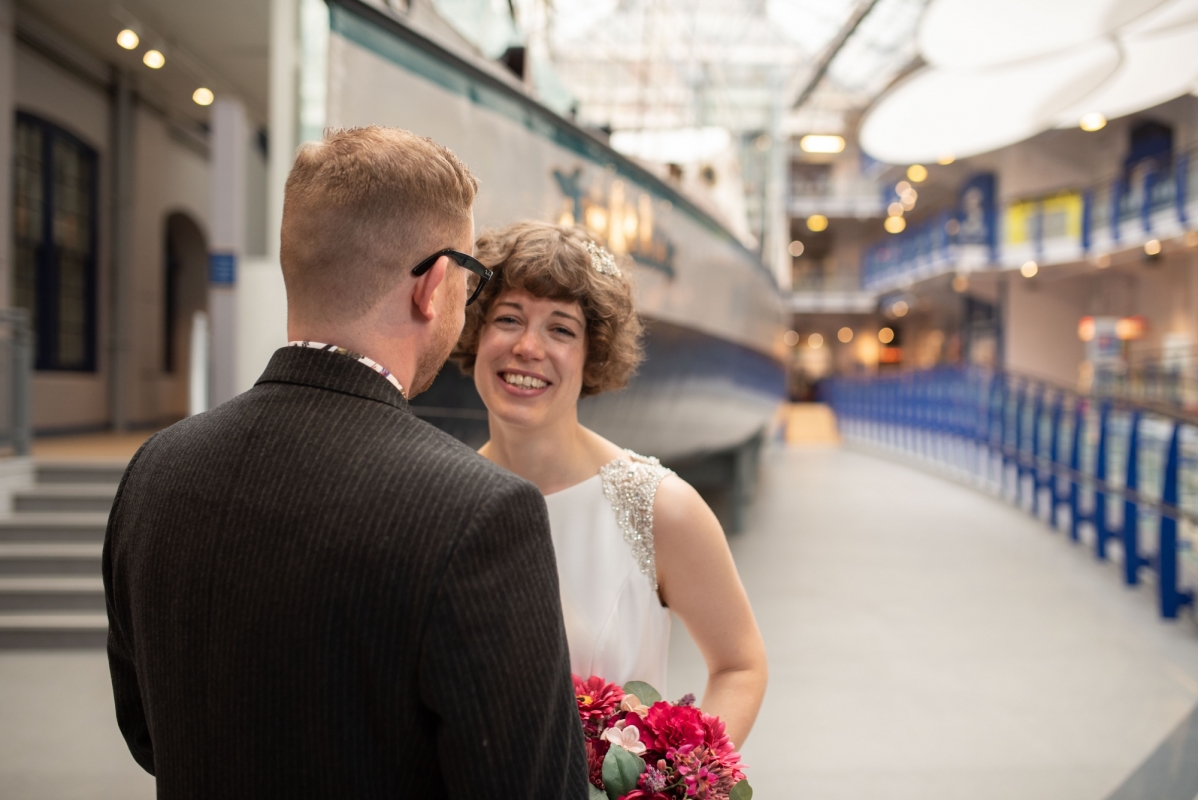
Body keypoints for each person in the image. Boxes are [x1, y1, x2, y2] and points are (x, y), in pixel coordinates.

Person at [102, 128, 588, 799]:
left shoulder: (157, 470)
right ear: (434, 284)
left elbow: (145, 735)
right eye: (471, 280)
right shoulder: (478, 513)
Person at [452, 221, 768, 747]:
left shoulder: (657, 506)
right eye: (508, 319)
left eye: (561, 329)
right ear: (476, 332)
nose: (528, 347)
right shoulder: (441, 501)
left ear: (591, 354)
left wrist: (682, 782)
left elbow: (740, 665)